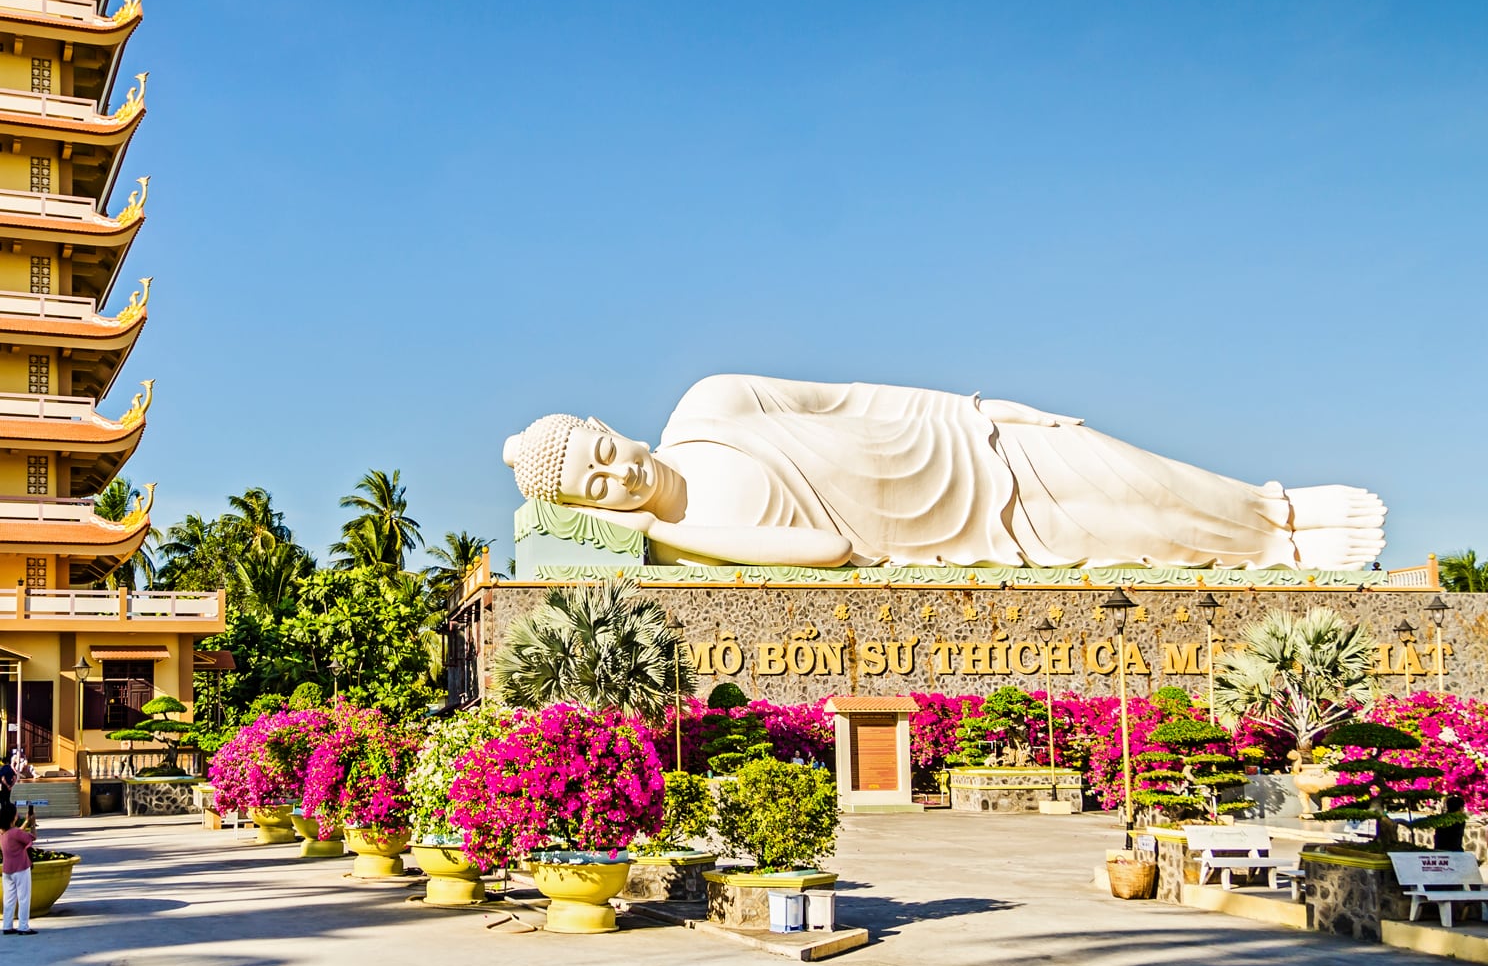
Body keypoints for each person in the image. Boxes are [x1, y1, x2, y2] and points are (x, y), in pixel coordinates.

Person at [503, 375, 1388, 569]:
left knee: (1134, 475)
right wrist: (664, 527)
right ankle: (1285, 554)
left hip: (959, 445)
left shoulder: (710, 404)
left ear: (606, 427)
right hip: (958, 533)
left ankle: (1276, 508)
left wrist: (973, 410)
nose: (618, 476)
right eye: (597, 488)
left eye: (604, 453)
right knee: (1142, 536)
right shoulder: (690, 536)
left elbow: (849, 398)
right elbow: (827, 545)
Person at [0, 803, 39, 935]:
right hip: (21, 868)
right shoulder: (15, 833)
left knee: (9, 899)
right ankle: (23, 926)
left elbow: (17, 834)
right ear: (13, 817)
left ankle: (7, 925)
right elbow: (32, 837)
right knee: (24, 898)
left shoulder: (1, 832)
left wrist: (26, 821)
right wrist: (32, 823)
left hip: (7, 870)